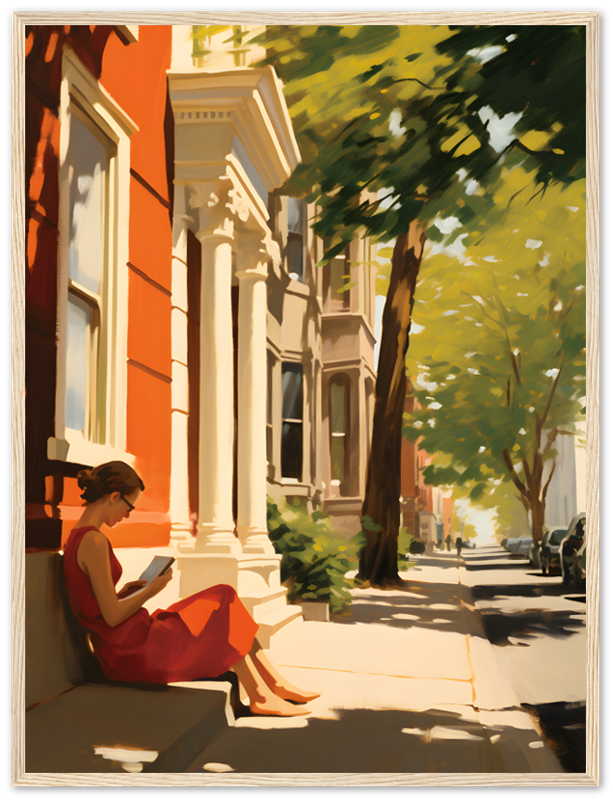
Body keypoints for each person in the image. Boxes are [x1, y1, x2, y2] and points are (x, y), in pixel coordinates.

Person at [63, 461, 319, 717]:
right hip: (131, 652)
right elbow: (112, 616)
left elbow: (95, 607)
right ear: (114, 497)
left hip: (126, 642)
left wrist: (125, 591)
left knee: (224, 596)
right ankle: (261, 695)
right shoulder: (94, 540)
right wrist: (152, 590)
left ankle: (273, 684)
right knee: (222, 607)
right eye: (129, 507)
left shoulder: (77, 537)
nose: (127, 514)